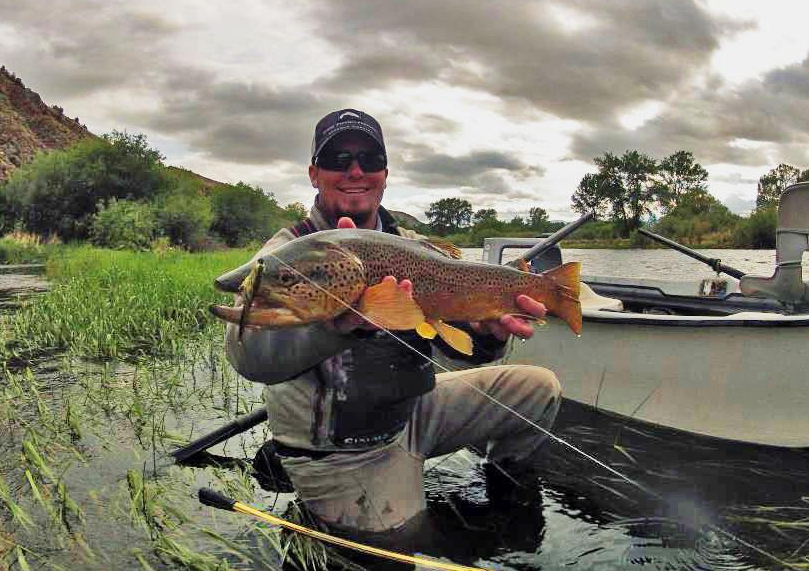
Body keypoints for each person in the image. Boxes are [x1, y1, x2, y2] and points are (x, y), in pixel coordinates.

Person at [224, 109, 561, 536]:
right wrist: (335, 326)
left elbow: (460, 353)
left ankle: (507, 500)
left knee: (539, 390)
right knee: (400, 543)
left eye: (370, 159)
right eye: (338, 159)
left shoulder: (412, 247)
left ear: (385, 174)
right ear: (314, 173)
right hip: (337, 451)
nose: (355, 170)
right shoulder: (284, 257)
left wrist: (486, 335)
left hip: (411, 416)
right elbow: (247, 356)